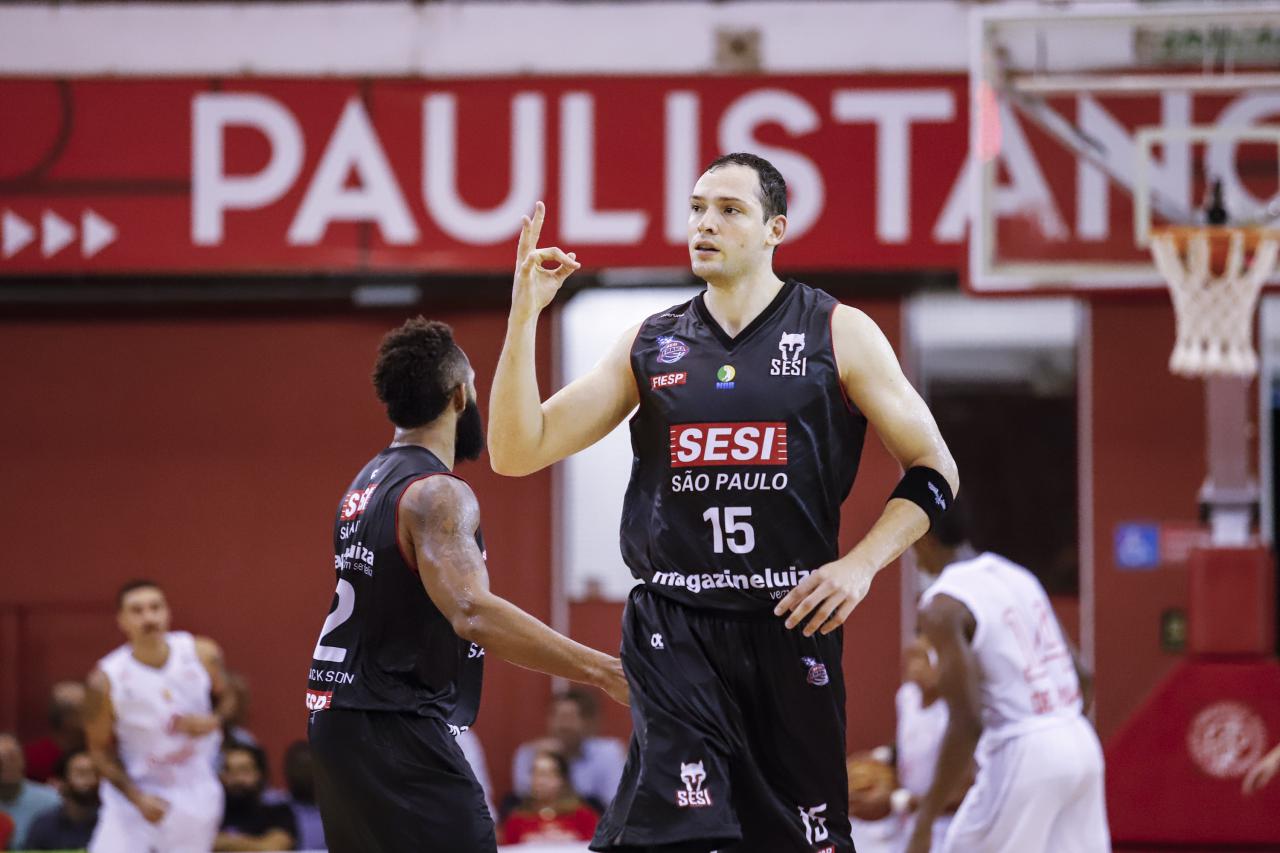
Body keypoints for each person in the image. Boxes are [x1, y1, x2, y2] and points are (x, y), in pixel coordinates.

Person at [489, 152, 958, 852]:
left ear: (775, 228)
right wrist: (523, 317)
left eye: (729, 210)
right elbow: (516, 450)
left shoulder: (838, 331)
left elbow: (935, 470)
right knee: (677, 831)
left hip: (788, 621)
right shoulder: (651, 343)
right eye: (698, 207)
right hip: (675, 626)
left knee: (803, 838)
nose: (705, 223)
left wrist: (859, 565)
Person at [305, 317, 628, 853]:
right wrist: (601, 668)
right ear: (460, 396)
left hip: (336, 720)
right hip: (395, 728)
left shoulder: (365, 484)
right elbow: (473, 613)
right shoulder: (438, 492)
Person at [907, 512, 1108, 853]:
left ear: (924, 538)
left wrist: (925, 820)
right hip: (1080, 741)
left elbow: (967, 721)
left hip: (1024, 749)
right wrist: (1061, 740)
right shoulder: (1016, 575)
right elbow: (1083, 676)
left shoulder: (942, 605)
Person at [83, 579, 235, 853]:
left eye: (155, 607)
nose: (149, 617)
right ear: (122, 620)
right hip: (136, 793)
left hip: (195, 789)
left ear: (168, 611)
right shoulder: (105, 680)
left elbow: (230, 698)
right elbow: (98, 752)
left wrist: (215, 720)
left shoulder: (201, 653)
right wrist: (136, 797)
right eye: (137, 610)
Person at [512, 687, 627, 810]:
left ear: (587, 723)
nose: (563, 725)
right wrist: (549, 760)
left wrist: (562, 768)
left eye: (570, 717)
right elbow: (526, 805)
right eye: (558, 717)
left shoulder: (609, 753)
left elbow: (615, 805)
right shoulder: (529, 754)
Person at [500, 749, 600, 845]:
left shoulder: (584, 817)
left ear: (562, 779)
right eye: (535, 773)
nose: (540, 781)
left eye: (547, 774)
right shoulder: (516, 821)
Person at [215, 742, 297, 852]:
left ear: (259, 774)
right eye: (228, 770)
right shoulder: (211, 812)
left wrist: (223, 841)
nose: (236, 779)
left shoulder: (278, 811)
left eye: (244, 770)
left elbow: (272, 848)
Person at [25, 750, 101, 851]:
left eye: (96, 774)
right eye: (81, 774)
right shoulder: (44, 826)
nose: (91, 780)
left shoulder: (110, 821)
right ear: (62, 782)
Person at [0, 732, 61, 849]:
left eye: (12, 758)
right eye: (0, 761)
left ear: (23, 760)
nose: (6, 765)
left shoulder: (51, 802)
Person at [24, 681, 88, 783]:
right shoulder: (33, 758)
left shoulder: (102, 752)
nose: (94, 717)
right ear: (67, 719)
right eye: (85, 711)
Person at [274, 740, 324, 851]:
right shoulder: (274, 806)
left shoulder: (335, 812)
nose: (302, 773)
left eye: (308, 766)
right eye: (298, 767)